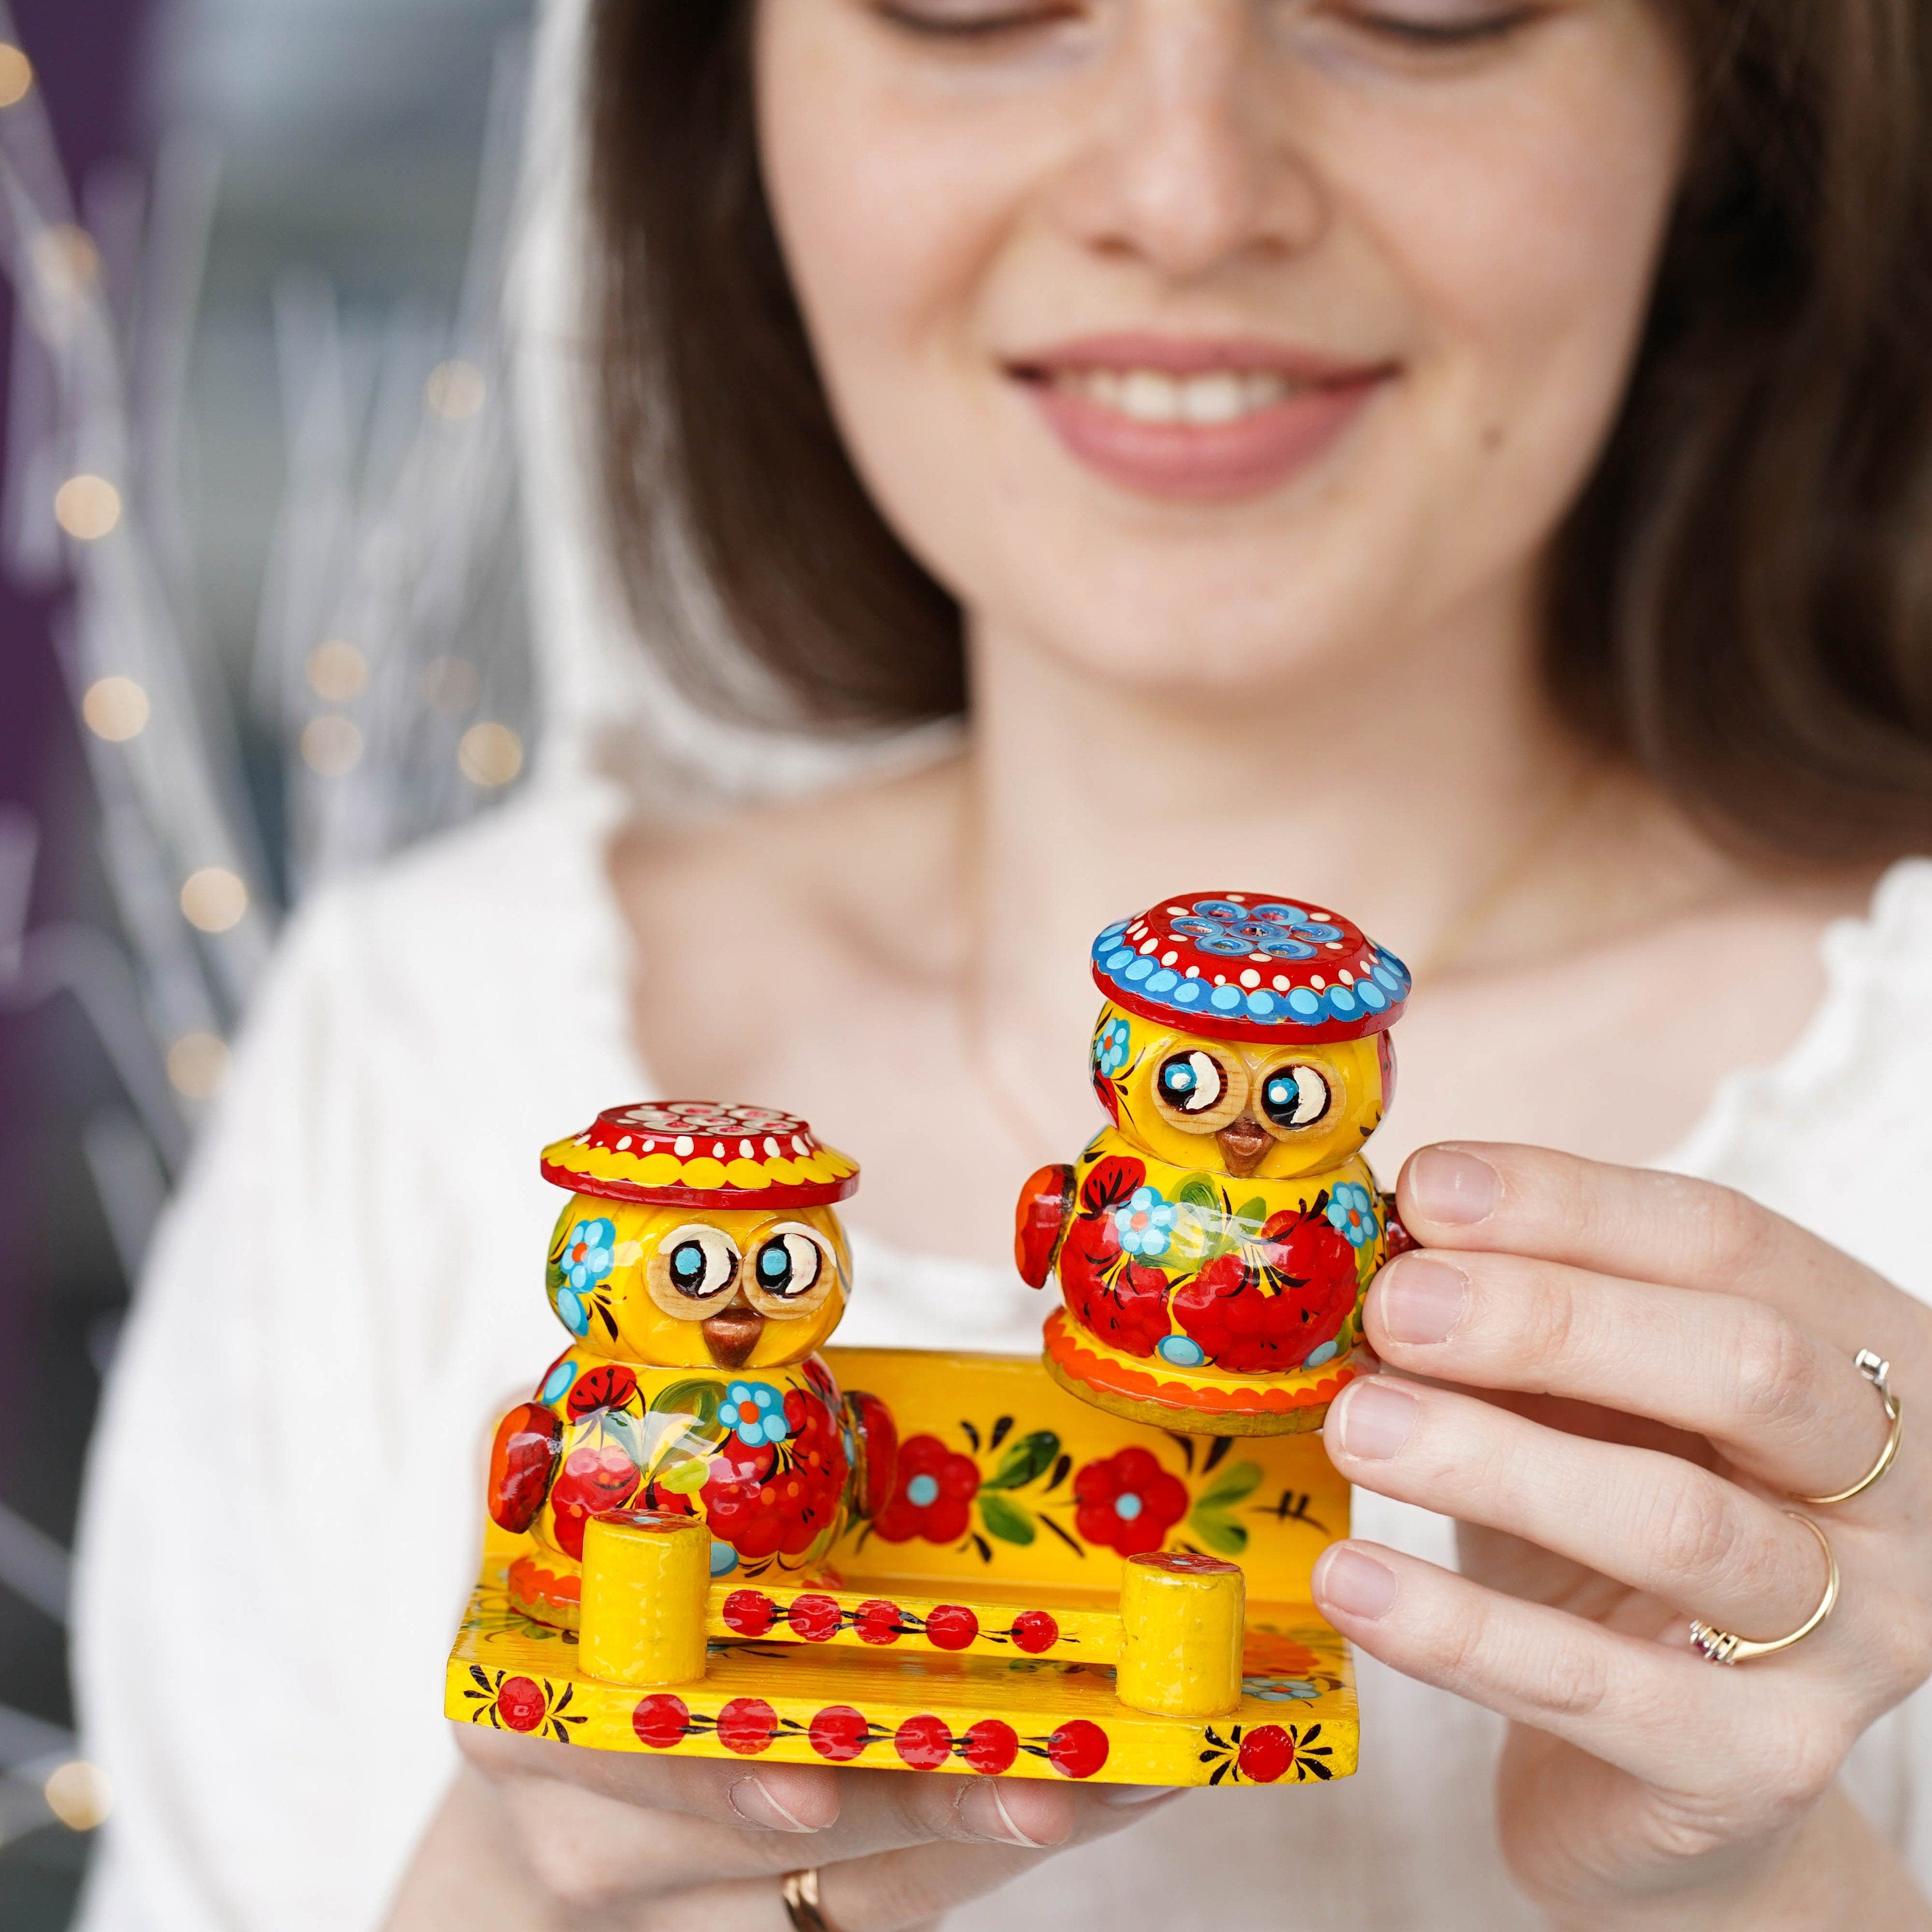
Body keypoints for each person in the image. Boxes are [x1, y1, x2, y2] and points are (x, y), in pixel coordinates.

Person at [71, 0, 1932, 1926]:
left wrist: (1776, 1896)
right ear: (723, 93)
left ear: (1720, 91)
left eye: (1420, 2)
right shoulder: (412, 1048)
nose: (1187, 193)